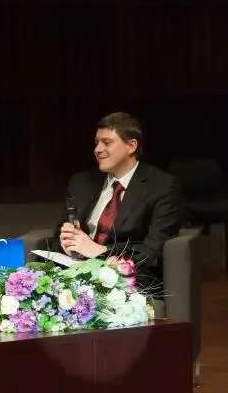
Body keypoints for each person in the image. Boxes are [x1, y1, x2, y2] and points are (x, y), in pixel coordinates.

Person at [53, 111, 185, 288]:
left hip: (125, 277)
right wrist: (67, 244)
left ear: (131, 146)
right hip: (75, 269)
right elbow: (57, 238)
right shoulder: (81, 183)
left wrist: (99, 251)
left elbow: (152, 252)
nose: (97, 150)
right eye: (97, 143)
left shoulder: (162, 186)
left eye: (106, 142)